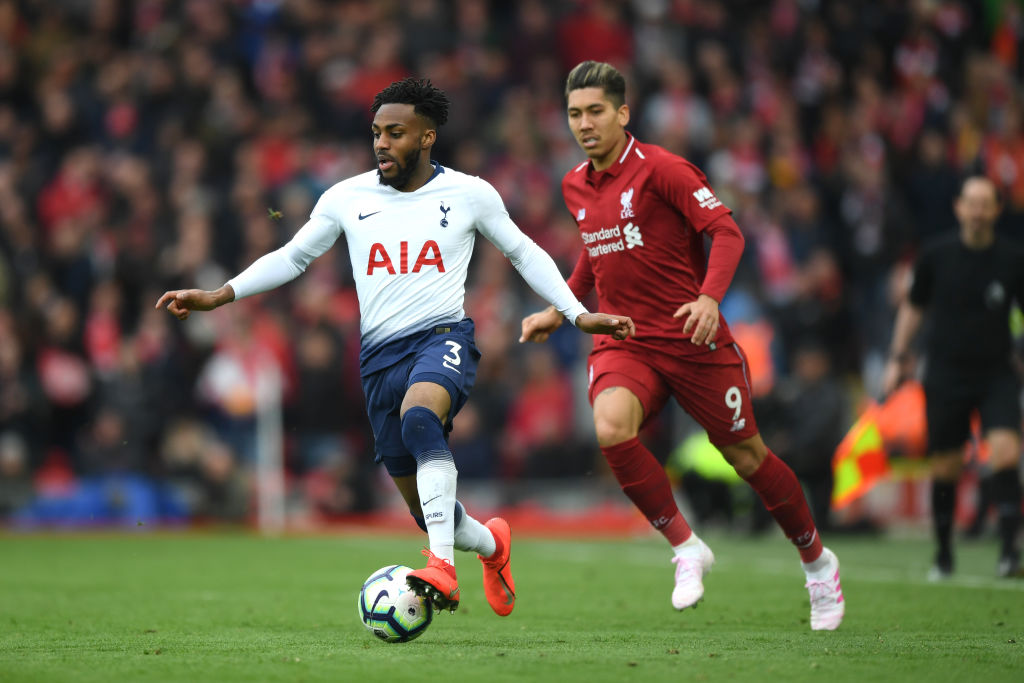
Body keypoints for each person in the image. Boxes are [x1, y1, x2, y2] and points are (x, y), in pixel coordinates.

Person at [157, 78, 635, 616]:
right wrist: (221, 295)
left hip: (442, 338)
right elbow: (293, 257)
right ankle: (492, 546)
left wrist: (576, 312)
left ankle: (441, 568)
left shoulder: (470, 194)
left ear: (427, 137)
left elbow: (524, 254)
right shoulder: (345, 197)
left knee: (419, 419)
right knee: (427, 508)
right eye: (376, 133)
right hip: (378, 360)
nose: (381, 143)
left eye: (396, 132)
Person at [520, 61, 845, 630]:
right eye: (575, 114)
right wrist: (560, 308)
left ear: (623, 113)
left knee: (748, 458)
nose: (585, 123)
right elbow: (594, 254)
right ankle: (686, 546)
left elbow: (726, 231)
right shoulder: (575, 183)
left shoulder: (664, 169)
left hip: (692, 338)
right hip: (627, 339)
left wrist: (710, 299)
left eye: (596, 111)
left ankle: (817, 562)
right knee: (610, 429)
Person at [883, 176, 1024, 579]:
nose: (978, 211)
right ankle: (944, 554)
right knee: (945, 465)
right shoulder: (935, 256)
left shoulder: (1014, 260)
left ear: (997, 210)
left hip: (997, 371)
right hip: (945, 372)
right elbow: (913, 308)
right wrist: (898, 357)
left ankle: (1009, 553)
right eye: (971, 203)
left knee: (1006, 453)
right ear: (958, 207)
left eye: (986, 203)